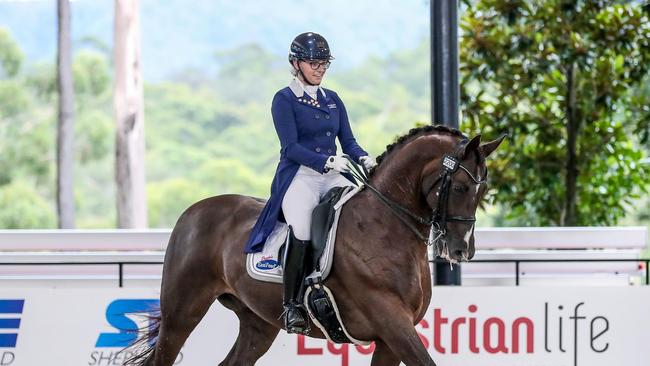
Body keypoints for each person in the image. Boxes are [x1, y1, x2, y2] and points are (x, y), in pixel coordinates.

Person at [244, 32, 376, 333]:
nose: (319, 69)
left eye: (324, 63)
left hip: (332, 176)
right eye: (313, 63)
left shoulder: (332, 100)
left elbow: (349, 142)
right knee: (302, 227)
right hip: (300, 175)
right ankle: (291, 305)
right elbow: (290, 147)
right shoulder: (284, 99)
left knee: (361, 212)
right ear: (296, 63)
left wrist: (365, 158)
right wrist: (327, 161)